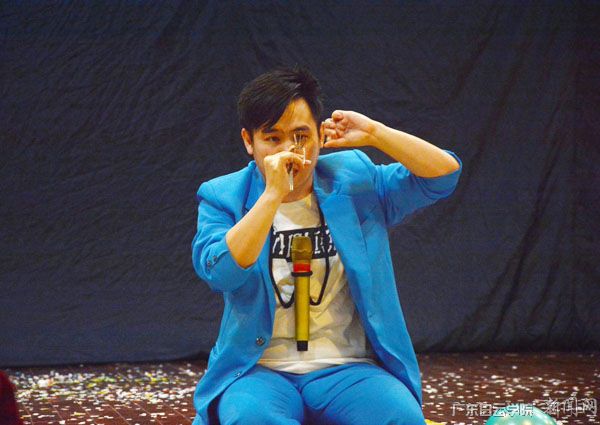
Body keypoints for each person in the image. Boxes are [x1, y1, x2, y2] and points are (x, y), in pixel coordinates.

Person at [191, 67, 461, 425]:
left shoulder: (353, 178)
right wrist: (272, 195)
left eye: (301, 136)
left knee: (401, 418)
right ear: (248, 141)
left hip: (347, 368)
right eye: (272, 138)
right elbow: (221, 272)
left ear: (320, 135)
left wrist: (376, 134)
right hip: (259, 371)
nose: (289, 150)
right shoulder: (223, 195)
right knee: (252, 420)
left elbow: (443, 177)